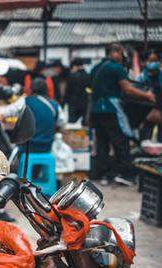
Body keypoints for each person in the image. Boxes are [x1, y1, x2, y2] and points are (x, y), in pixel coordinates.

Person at [90, 43, 155, 184]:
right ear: (114, 52)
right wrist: (147, 96)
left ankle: (103, 175)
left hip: (96, 110)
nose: (122, 56)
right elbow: (127, 89)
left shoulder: (96, 68)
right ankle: (125, 174)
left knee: (102, 143)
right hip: (109, 109)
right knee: (121, 141)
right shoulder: (116, 67)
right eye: (121, 53)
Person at [0, 77, 65, 153]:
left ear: (31, 89)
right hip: (47, 147)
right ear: (46, 90)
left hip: (27, 147)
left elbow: (4, 113)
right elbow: (62, 123)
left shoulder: (25, 101)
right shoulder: (55, 105)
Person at [137, 50, 162, 143]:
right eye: (150, 61)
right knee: (145, 138)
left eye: (155, 61)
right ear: (144, 62)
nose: (153, 64)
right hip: (146, 112)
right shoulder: (140, 78)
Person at [64, 57, 91, 124]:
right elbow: (90, 90)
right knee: (85, 124)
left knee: (72, 124)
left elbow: (68, 91)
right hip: (85, 104)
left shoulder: (72, 76)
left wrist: (64, 103)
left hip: (73, 104)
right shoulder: (88, 76)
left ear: (74, 66)